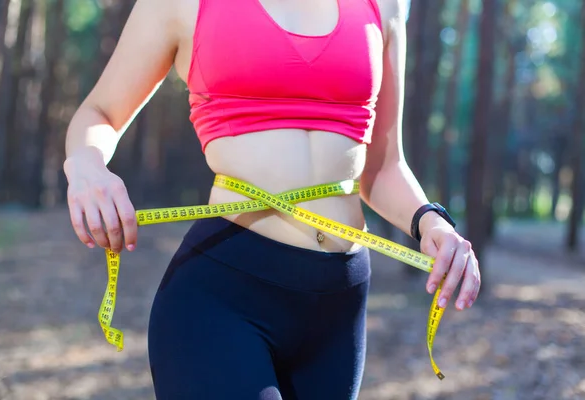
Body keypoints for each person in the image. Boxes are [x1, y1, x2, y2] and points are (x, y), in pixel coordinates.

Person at [63, 0, 481, 398]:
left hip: (338, 305)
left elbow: (382, 167)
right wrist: (86, 166)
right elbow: (99, 112)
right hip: (224, 294)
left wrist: (431, 221)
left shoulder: (381, 7)